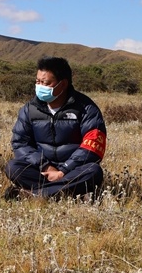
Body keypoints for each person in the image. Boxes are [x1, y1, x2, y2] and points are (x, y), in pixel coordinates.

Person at [6, 56, 106, 199]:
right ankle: (67, 193)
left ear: (63, 84)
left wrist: (63, 171)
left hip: (72, 170)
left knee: (93, 171)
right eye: (37, 82)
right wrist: (46, 167)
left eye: (45, 83)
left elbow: (93, 146)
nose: (40, 86)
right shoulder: (29, 109)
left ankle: (36, 194)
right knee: (13, 167)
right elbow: (20, 142)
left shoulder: (86, 108)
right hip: (41, 170)